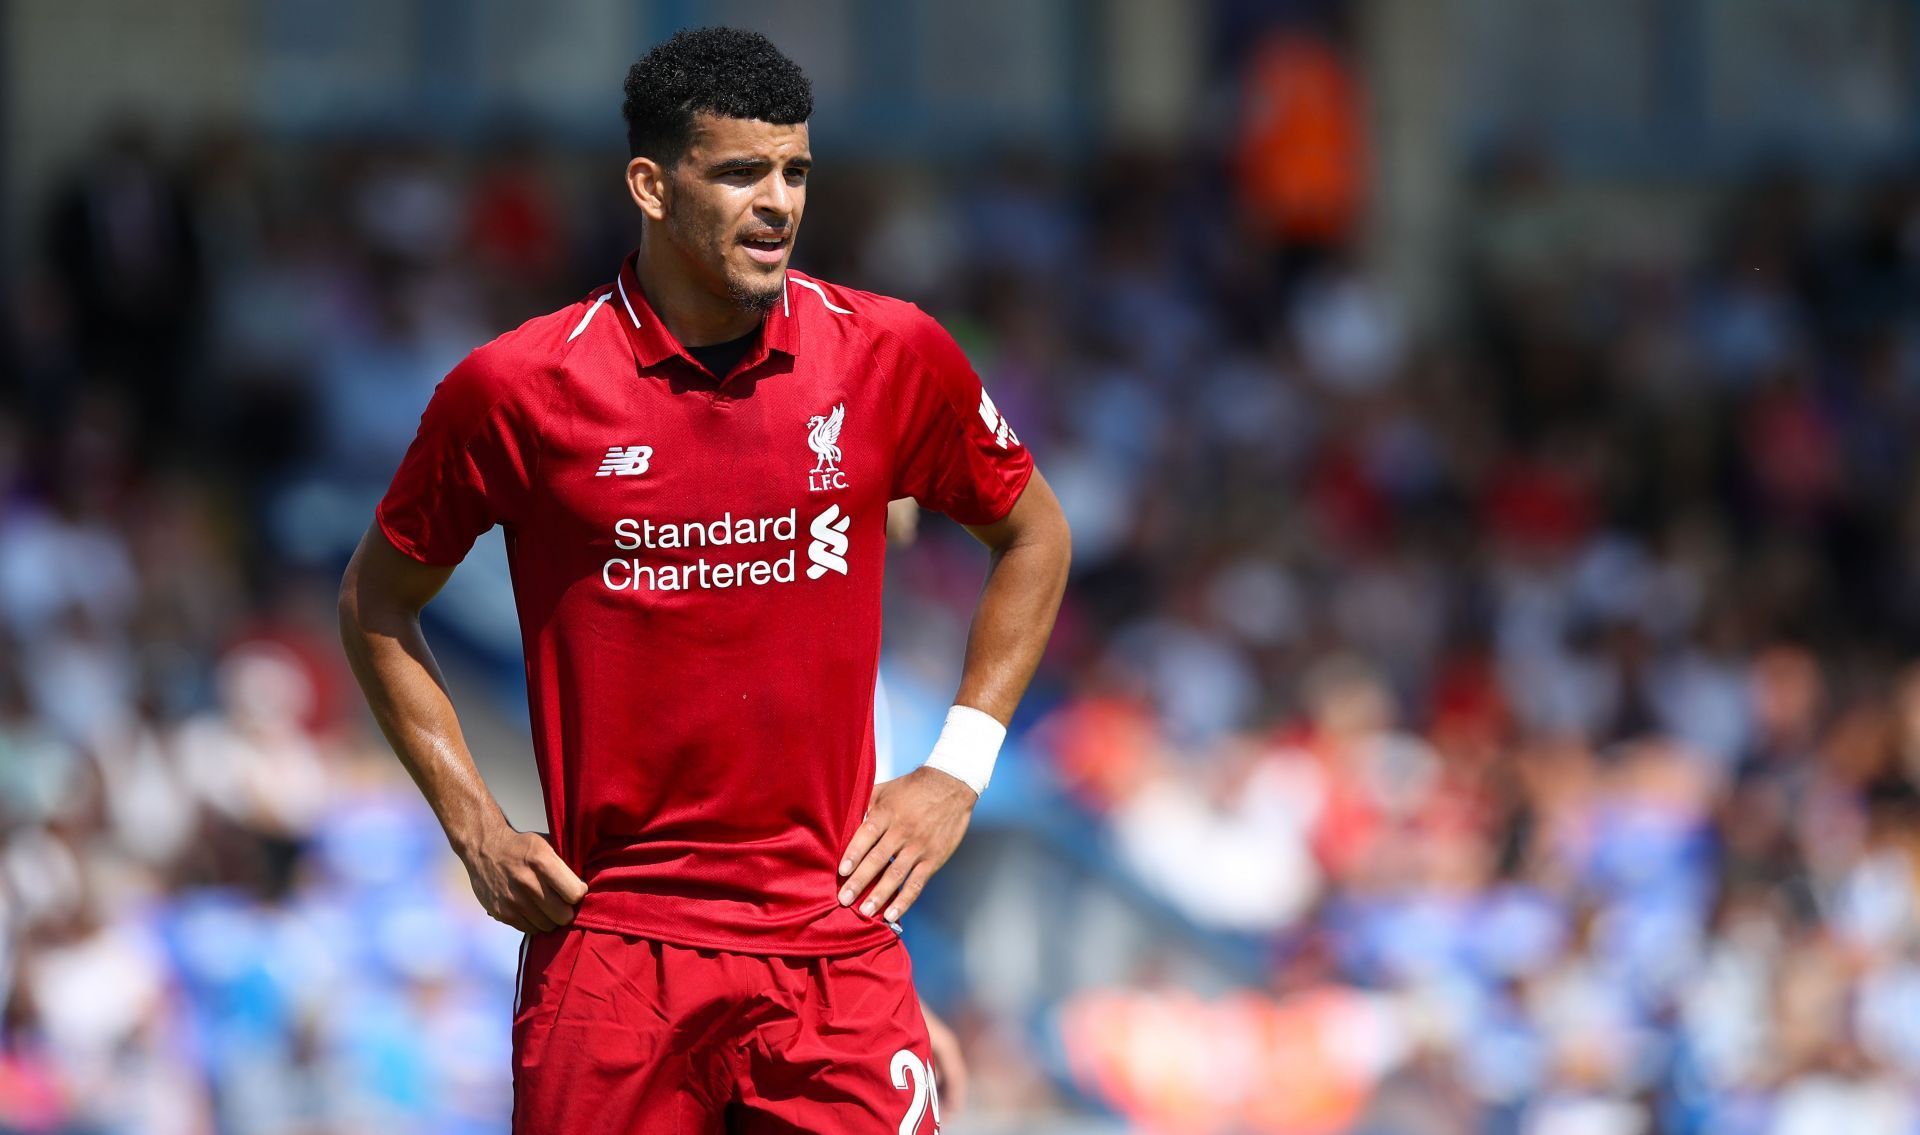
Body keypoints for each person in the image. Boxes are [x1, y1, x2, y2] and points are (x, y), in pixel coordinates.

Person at [336, 26, 1070, 1134]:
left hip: (834, 939)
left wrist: (954, 770)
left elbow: (1035, 534)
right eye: (739, 172)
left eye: (795, 172)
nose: (777, 201)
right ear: (650, 183)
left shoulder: (889, 355)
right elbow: (375, 605)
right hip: (617, 950)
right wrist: (478, 831)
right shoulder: (518, 390)